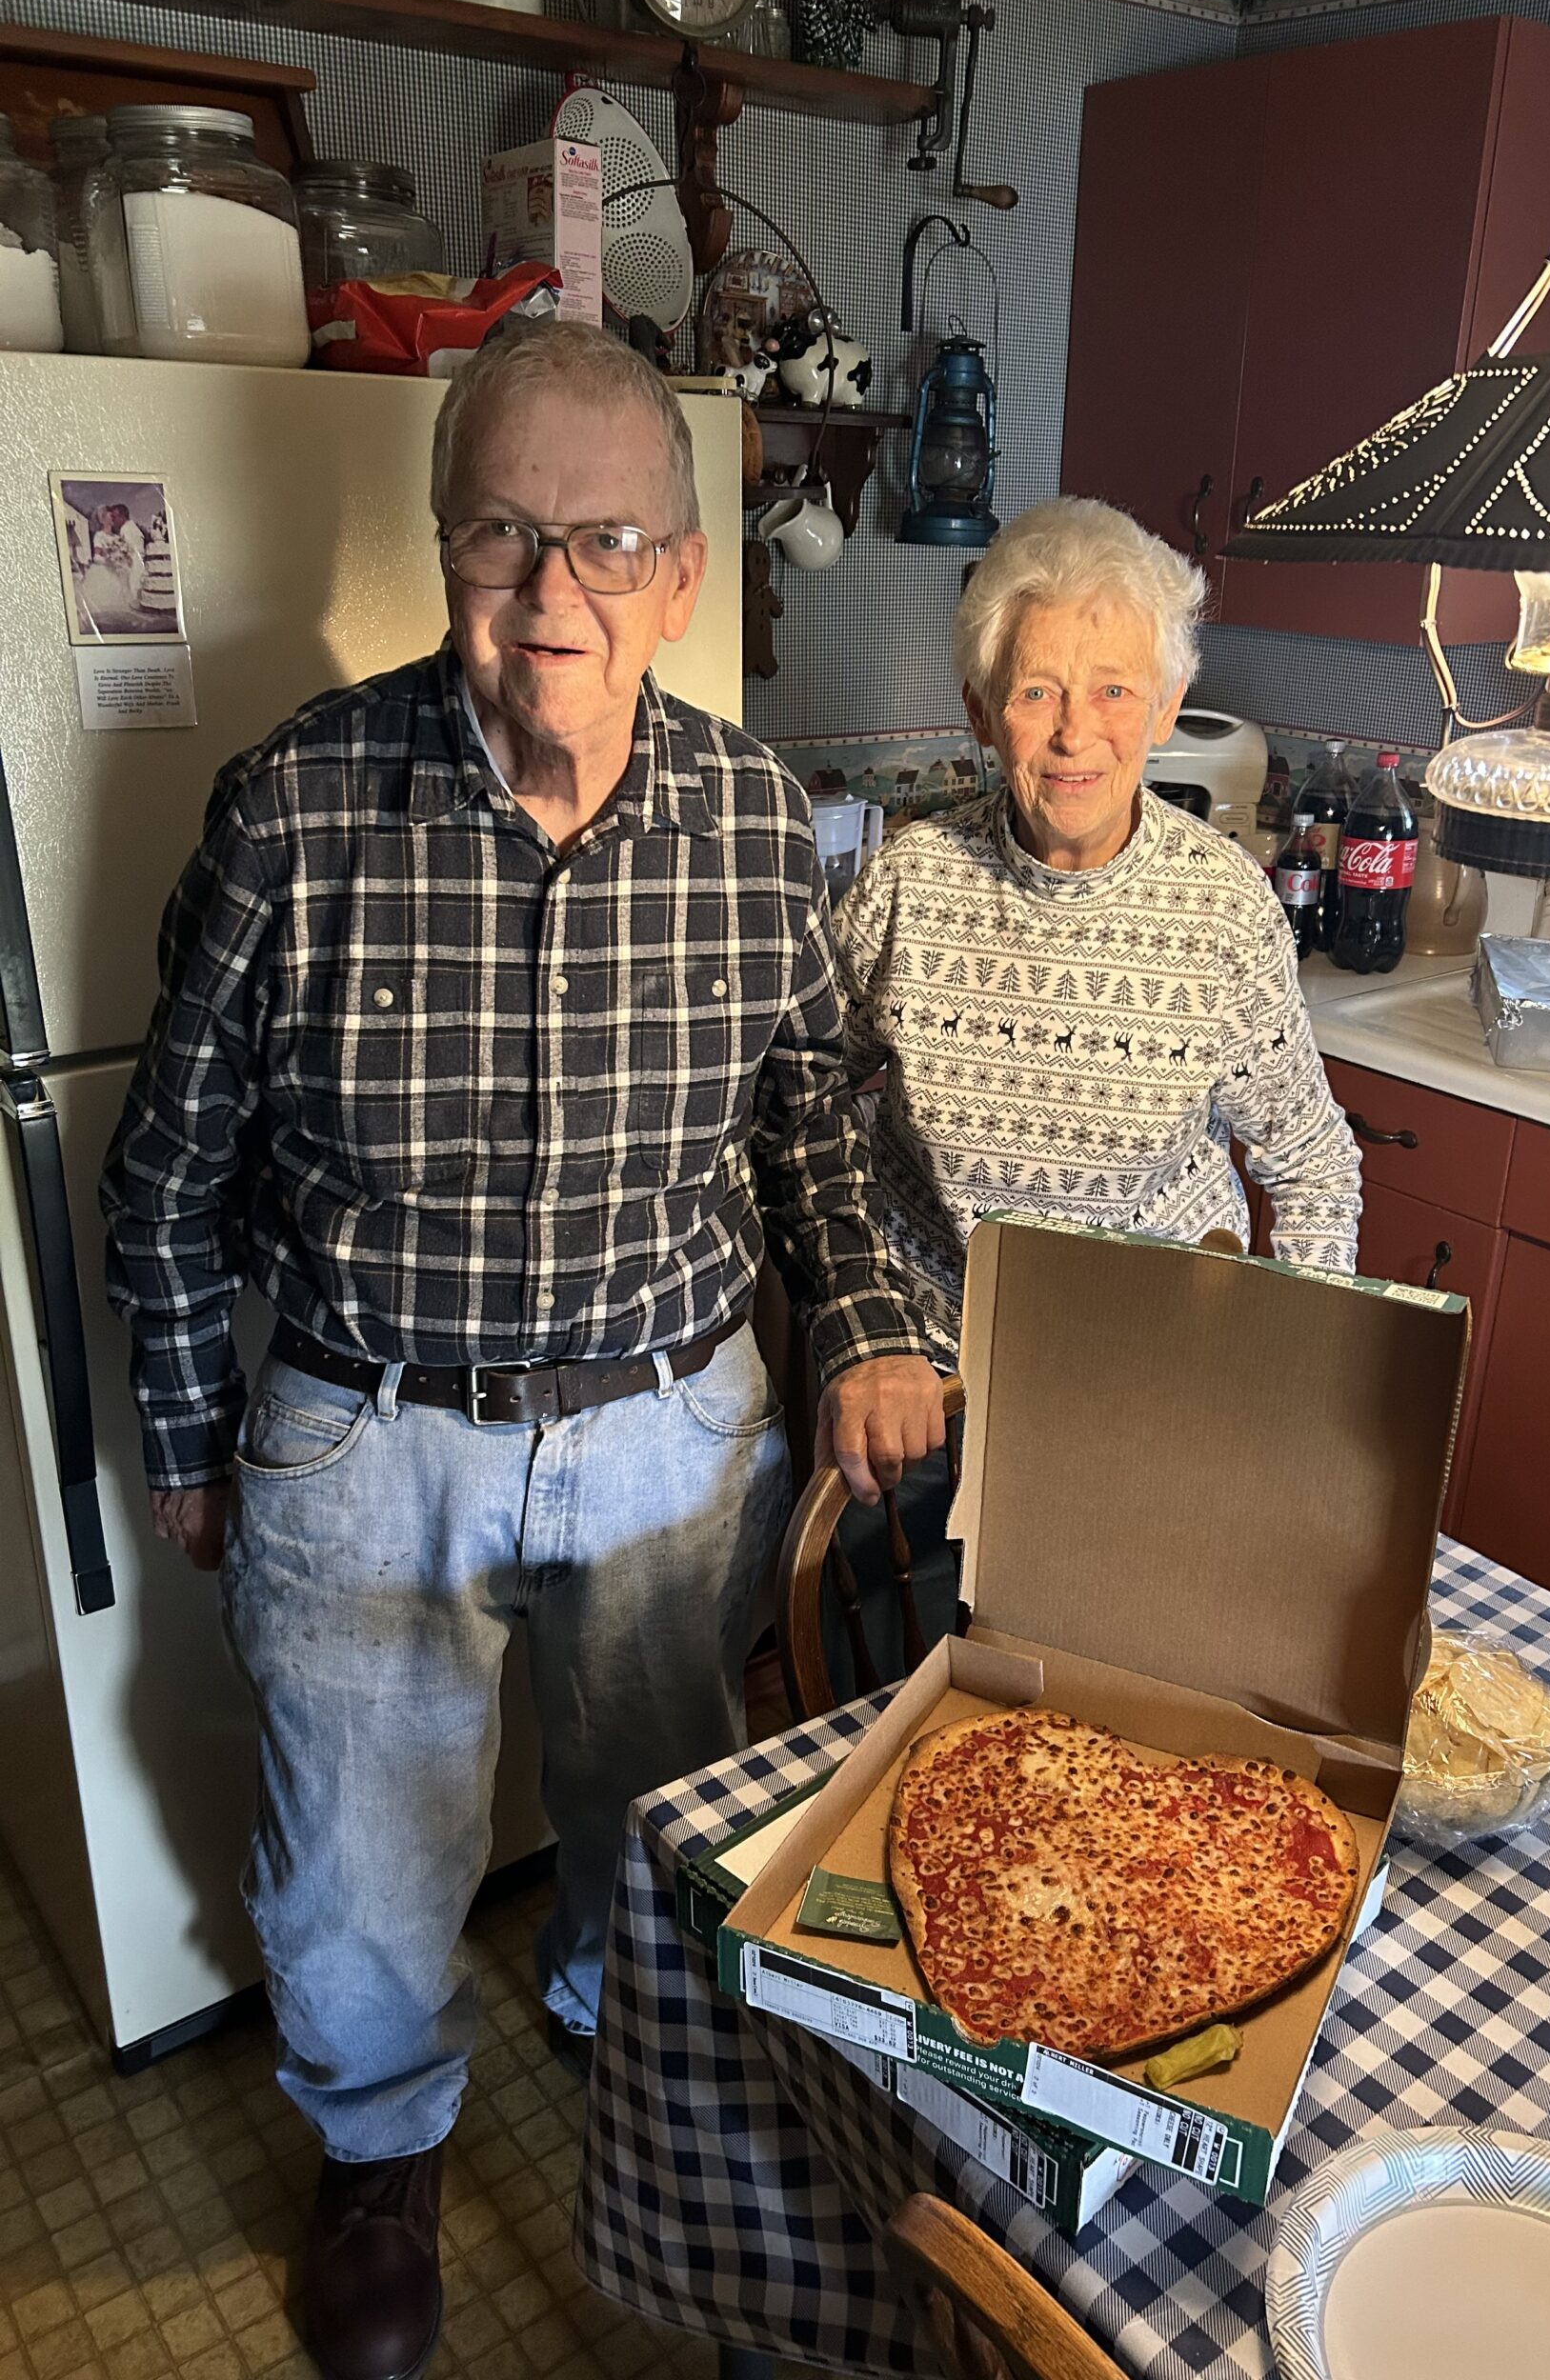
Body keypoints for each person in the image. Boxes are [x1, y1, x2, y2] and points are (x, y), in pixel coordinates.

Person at [101, 323, 941, 2380]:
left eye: (605, 539)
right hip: (373, 1425)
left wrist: (874, 1325)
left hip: (670, 1430)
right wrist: (199, 1432)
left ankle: (601, 2016)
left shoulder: (764, 822)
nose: (551, 589)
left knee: (650, 1794)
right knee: (364, 1853)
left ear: (680, 574)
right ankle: (379, 2152)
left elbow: (819, 1104)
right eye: (503, 534)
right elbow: (170, 1162)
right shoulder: (299, 803)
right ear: (443, 546)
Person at [826, 497, 1362, 1660]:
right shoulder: (909, 886)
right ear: (982, 712)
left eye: (1115, 689)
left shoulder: (1223, 910)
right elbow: (806, 1112)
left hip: (1156, 1417)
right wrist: (860, 1331)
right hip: (930, 1409)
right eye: (1037, 691)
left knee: (1119, 1776)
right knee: (897, 1744)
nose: (1077, 733)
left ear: (1167, 707)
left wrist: (1285, 1379)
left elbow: (1313, 1167)